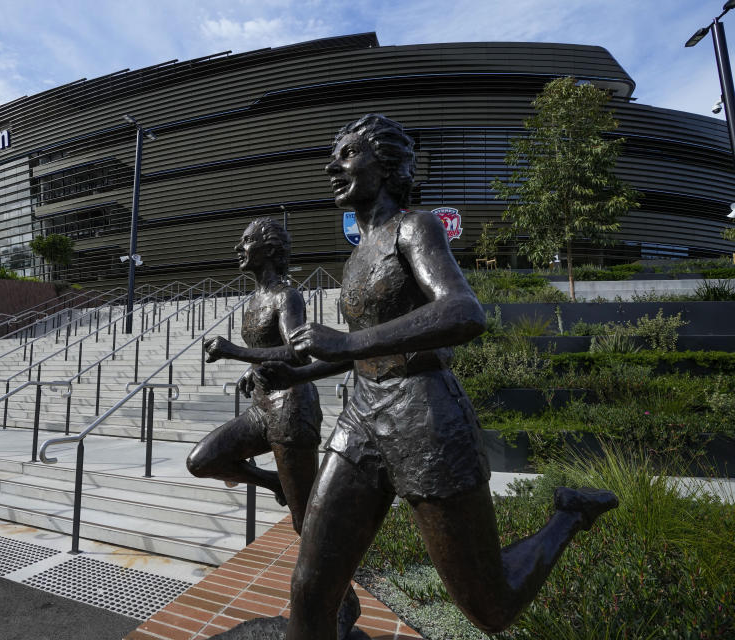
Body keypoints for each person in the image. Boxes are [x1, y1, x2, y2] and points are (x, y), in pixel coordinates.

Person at [253, 114, 618, 637]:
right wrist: (297, 375)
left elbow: (464, 312)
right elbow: (365, 349)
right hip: (361, 418)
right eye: (335, 156)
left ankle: (571, 514)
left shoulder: (415, 228)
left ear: (387, 166)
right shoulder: (359, 253)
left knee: (491, 606)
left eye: (349, 154)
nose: (334, 166)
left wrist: (348, 340)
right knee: (311, 586)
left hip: (425, 420)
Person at [186, 217, 322, 536]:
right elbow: (270, 347)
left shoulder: (286, 296)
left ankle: (339, 587)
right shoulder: (255, 299)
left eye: (247, 241)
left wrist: (237, 353)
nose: (239, 247)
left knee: (307, 525)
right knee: (202, 460)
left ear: (270, 249)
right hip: (262, 409)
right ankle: (275, 482)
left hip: (291, 411)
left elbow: (298, 353)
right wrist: (254, 367)